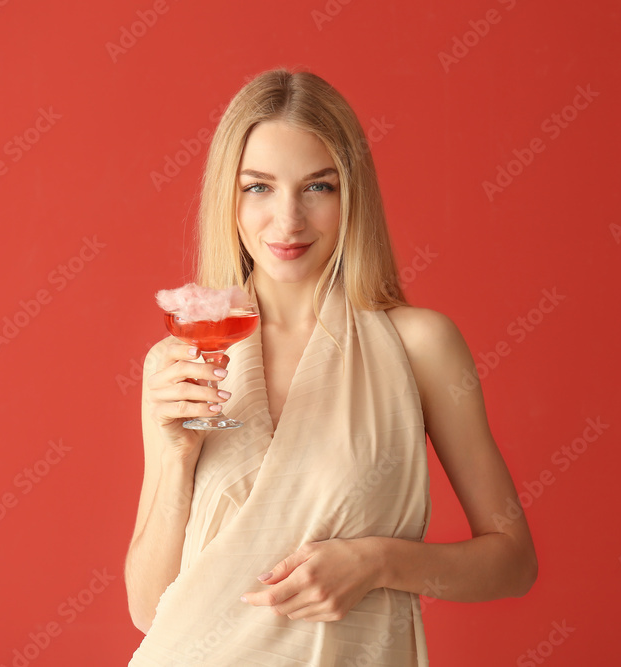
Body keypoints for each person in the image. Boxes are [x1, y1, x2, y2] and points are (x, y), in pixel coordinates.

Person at [125, 67, 537, 665]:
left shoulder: (419, 345)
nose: (288, 220)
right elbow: (147, 610)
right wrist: (176, 456)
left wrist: (377, 563)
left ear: (352, 193)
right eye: (258, 187)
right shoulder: (183, 360)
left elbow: (514, 563)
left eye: (318, 187)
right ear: (228, 196)